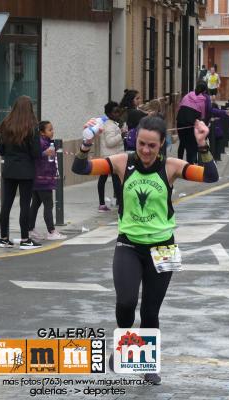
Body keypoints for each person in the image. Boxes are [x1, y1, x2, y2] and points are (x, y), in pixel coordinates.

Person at [72, 116, 218, 385]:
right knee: (126, 302)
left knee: (150, 312)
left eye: (152, 145)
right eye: (141, 144)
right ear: (135, 141)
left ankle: (147, 363)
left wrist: (202, 144)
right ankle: (124, 344)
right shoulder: (121, 162)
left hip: (163, 247)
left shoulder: (171, 167)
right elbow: (80, 168)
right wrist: (86, 143)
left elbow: (210, 176)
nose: (146, 151)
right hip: (129, 244)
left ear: (162, 144)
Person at [0, 96, 42, 249]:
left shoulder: (5, 125)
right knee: (24, 205)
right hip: (26, 171)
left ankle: (3, 238)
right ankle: (25, 239)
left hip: (8, 170)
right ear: (29, 109)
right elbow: (36, 153)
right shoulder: (32, 127)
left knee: (6, 205)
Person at [27, 121, 66, 241]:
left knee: (35, 204)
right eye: (49, 130)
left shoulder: (46, 142)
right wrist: (46, 153)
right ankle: (51, 231)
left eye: (52, 129)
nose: (52, 131)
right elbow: (37, 156)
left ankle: (30, 229)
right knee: (48, 205)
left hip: (39, 179)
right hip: (43, 179)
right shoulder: (41, 142)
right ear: (42, 132)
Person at [97, 101, 124, 212]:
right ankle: (120, 203)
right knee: (116, 180)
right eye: (115, 112)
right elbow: (110, 142)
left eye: (119, 111)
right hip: (112, 157)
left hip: (108, 156)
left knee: (104, 179)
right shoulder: (110, 126)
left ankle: (102, 204)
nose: (118, 114)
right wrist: (121, 135)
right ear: (109, 113)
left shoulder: (110, 124)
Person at [176, 81, 209, 164]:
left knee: (182, 142)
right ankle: (190, 164)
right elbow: (202, 116)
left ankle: (179, 161)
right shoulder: (202, 100)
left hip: (180, 121)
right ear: (204, 91)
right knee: (191, 144)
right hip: (190, 124)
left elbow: (180, 106)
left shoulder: (187, 95)